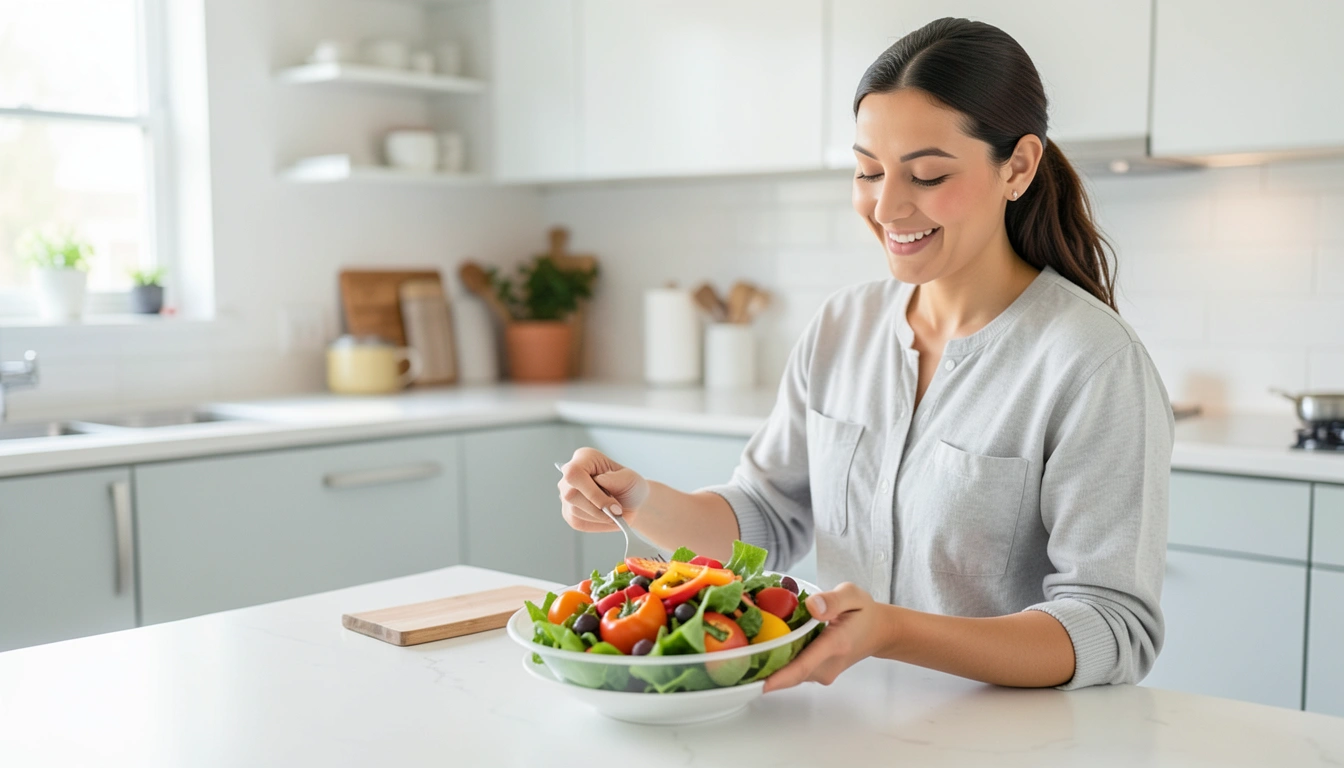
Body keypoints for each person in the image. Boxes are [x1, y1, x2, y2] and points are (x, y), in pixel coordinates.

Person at [556, 17, 1173, 693]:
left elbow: (1113, 625)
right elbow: (764, 516)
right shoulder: (842, 326)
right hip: (846, 723)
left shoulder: (1091, 361)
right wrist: (636, 498)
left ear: (1018, 167)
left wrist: (894, 631)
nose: (887, 206)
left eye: (929, 174)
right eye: (867, 171)